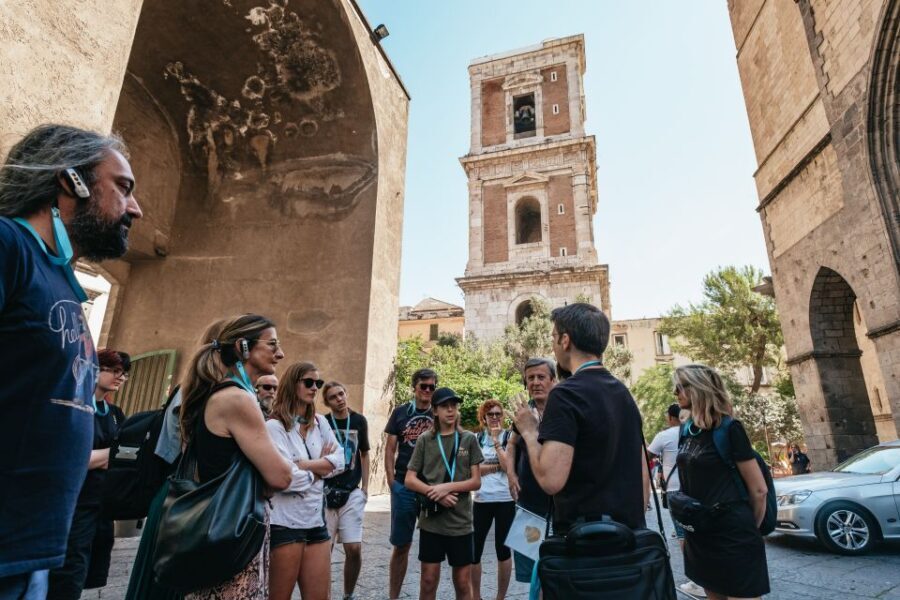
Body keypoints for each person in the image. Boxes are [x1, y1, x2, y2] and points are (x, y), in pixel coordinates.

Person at [0, 124, 143, 597]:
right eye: (123, 188)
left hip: (32, 552)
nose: (135, 208)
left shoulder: (60, 279)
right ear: (71, 181)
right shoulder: (8, 247)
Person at [177, 314, 294, 600]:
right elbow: (282, 476)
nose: (281, 354)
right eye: (272, 345)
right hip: (234, 527)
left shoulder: (215, 393)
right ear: (243, 347)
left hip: (216, 524)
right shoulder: (237, 398)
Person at [513, 303, 648, 535]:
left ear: (565, 340)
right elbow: (642, 468)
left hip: (584, 542)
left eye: (554, 336)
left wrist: (529, 431)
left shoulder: (565, 395)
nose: (553, 345)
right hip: (627, 537)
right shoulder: (623, 393)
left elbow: (550, 479)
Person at [674, 364, 770, 600]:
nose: (675, 393)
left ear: (697, 388)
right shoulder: (687, 430)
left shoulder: (729, 428)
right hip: (702, 532)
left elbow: (759, 489)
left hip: (732, 534)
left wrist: (748, 528)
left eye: (679, 387)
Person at [47, 349, 129, 599]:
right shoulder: (74, 406)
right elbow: (71, 459)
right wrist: (110, 455)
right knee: (69, 571)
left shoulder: (115, 414)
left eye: (124, 374)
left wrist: (100, 457)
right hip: (75, 504)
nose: (121, 378)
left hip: (101, 506)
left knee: (87, 572)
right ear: (94, 368)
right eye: (114, 371)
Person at [266, 362, 344, 600]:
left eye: (317, 383)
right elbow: (285, 479)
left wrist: (302, 465)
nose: (314, 388)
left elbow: (340, 461)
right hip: (285, 524)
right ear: (292, 384)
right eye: (308, 382)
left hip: (314, 522)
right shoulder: (274, 427)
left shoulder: (320, 422)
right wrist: (320, 469)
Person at [404, 387, 483, 600]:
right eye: (444, 406)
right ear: (435, 411)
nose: (450, 410)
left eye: (454, 406)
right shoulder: (424, 440)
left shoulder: (468, 439)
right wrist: (434, 492)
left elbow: (476, 482)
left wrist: (446, 487)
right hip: (432, 521)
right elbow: (409, 479)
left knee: (462, 582)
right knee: (428, 581)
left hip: (460, 523)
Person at [384, 368, 437, 600]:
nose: (427, 390)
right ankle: (393, 596)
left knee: (431, 547)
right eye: (423, 386)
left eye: (431, 387)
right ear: (414, 387)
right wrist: (391, 482)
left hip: (432, 487)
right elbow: (389, 449)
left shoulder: (439, 413)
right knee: (401, 544)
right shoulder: (400, 413)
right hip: (404, 486)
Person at [648, 403, 705, 598]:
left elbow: (646, 456)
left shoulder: (664, 436)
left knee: (683, 535)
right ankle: (708, 575)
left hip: (675, 491)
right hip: (696, 488)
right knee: (700, 532)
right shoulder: (695, 431)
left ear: (671, 417)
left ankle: (698, 580)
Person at [507, 358, 555, 585]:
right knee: (532, 574)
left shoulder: (562, 410)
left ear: (553, 380)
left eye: (541, 377)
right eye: (530, 378)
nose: (535, 382)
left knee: (557, 569)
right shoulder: (523, 413)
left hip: (560, 506)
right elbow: (511, 444)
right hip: (529, 505)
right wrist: (511, 474)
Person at [322, 381, 370, 600]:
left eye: (341, 394)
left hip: (351, 491)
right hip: (326, 491)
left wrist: (365, 489)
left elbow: (364, 454)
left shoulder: (359, 420)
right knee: (324, 551)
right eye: (333, 397)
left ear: (346, 393)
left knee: (354, 548)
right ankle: (323, 594)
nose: (339, 399)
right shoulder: (323, 422)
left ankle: (348, 594)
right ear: (327, 402)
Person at [471, 399, 515, 600]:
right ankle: (477, 596)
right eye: (491, 415)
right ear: (484, 418)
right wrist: (496, 466)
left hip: (505, 499)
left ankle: (500, 597)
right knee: (474, 551)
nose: (495, 418)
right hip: (481, 500)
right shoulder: (476, 438)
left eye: (498, 414)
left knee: (503, 551)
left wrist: (497, 442)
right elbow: (472, 470)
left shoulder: (510, 437)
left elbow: (509, 468)